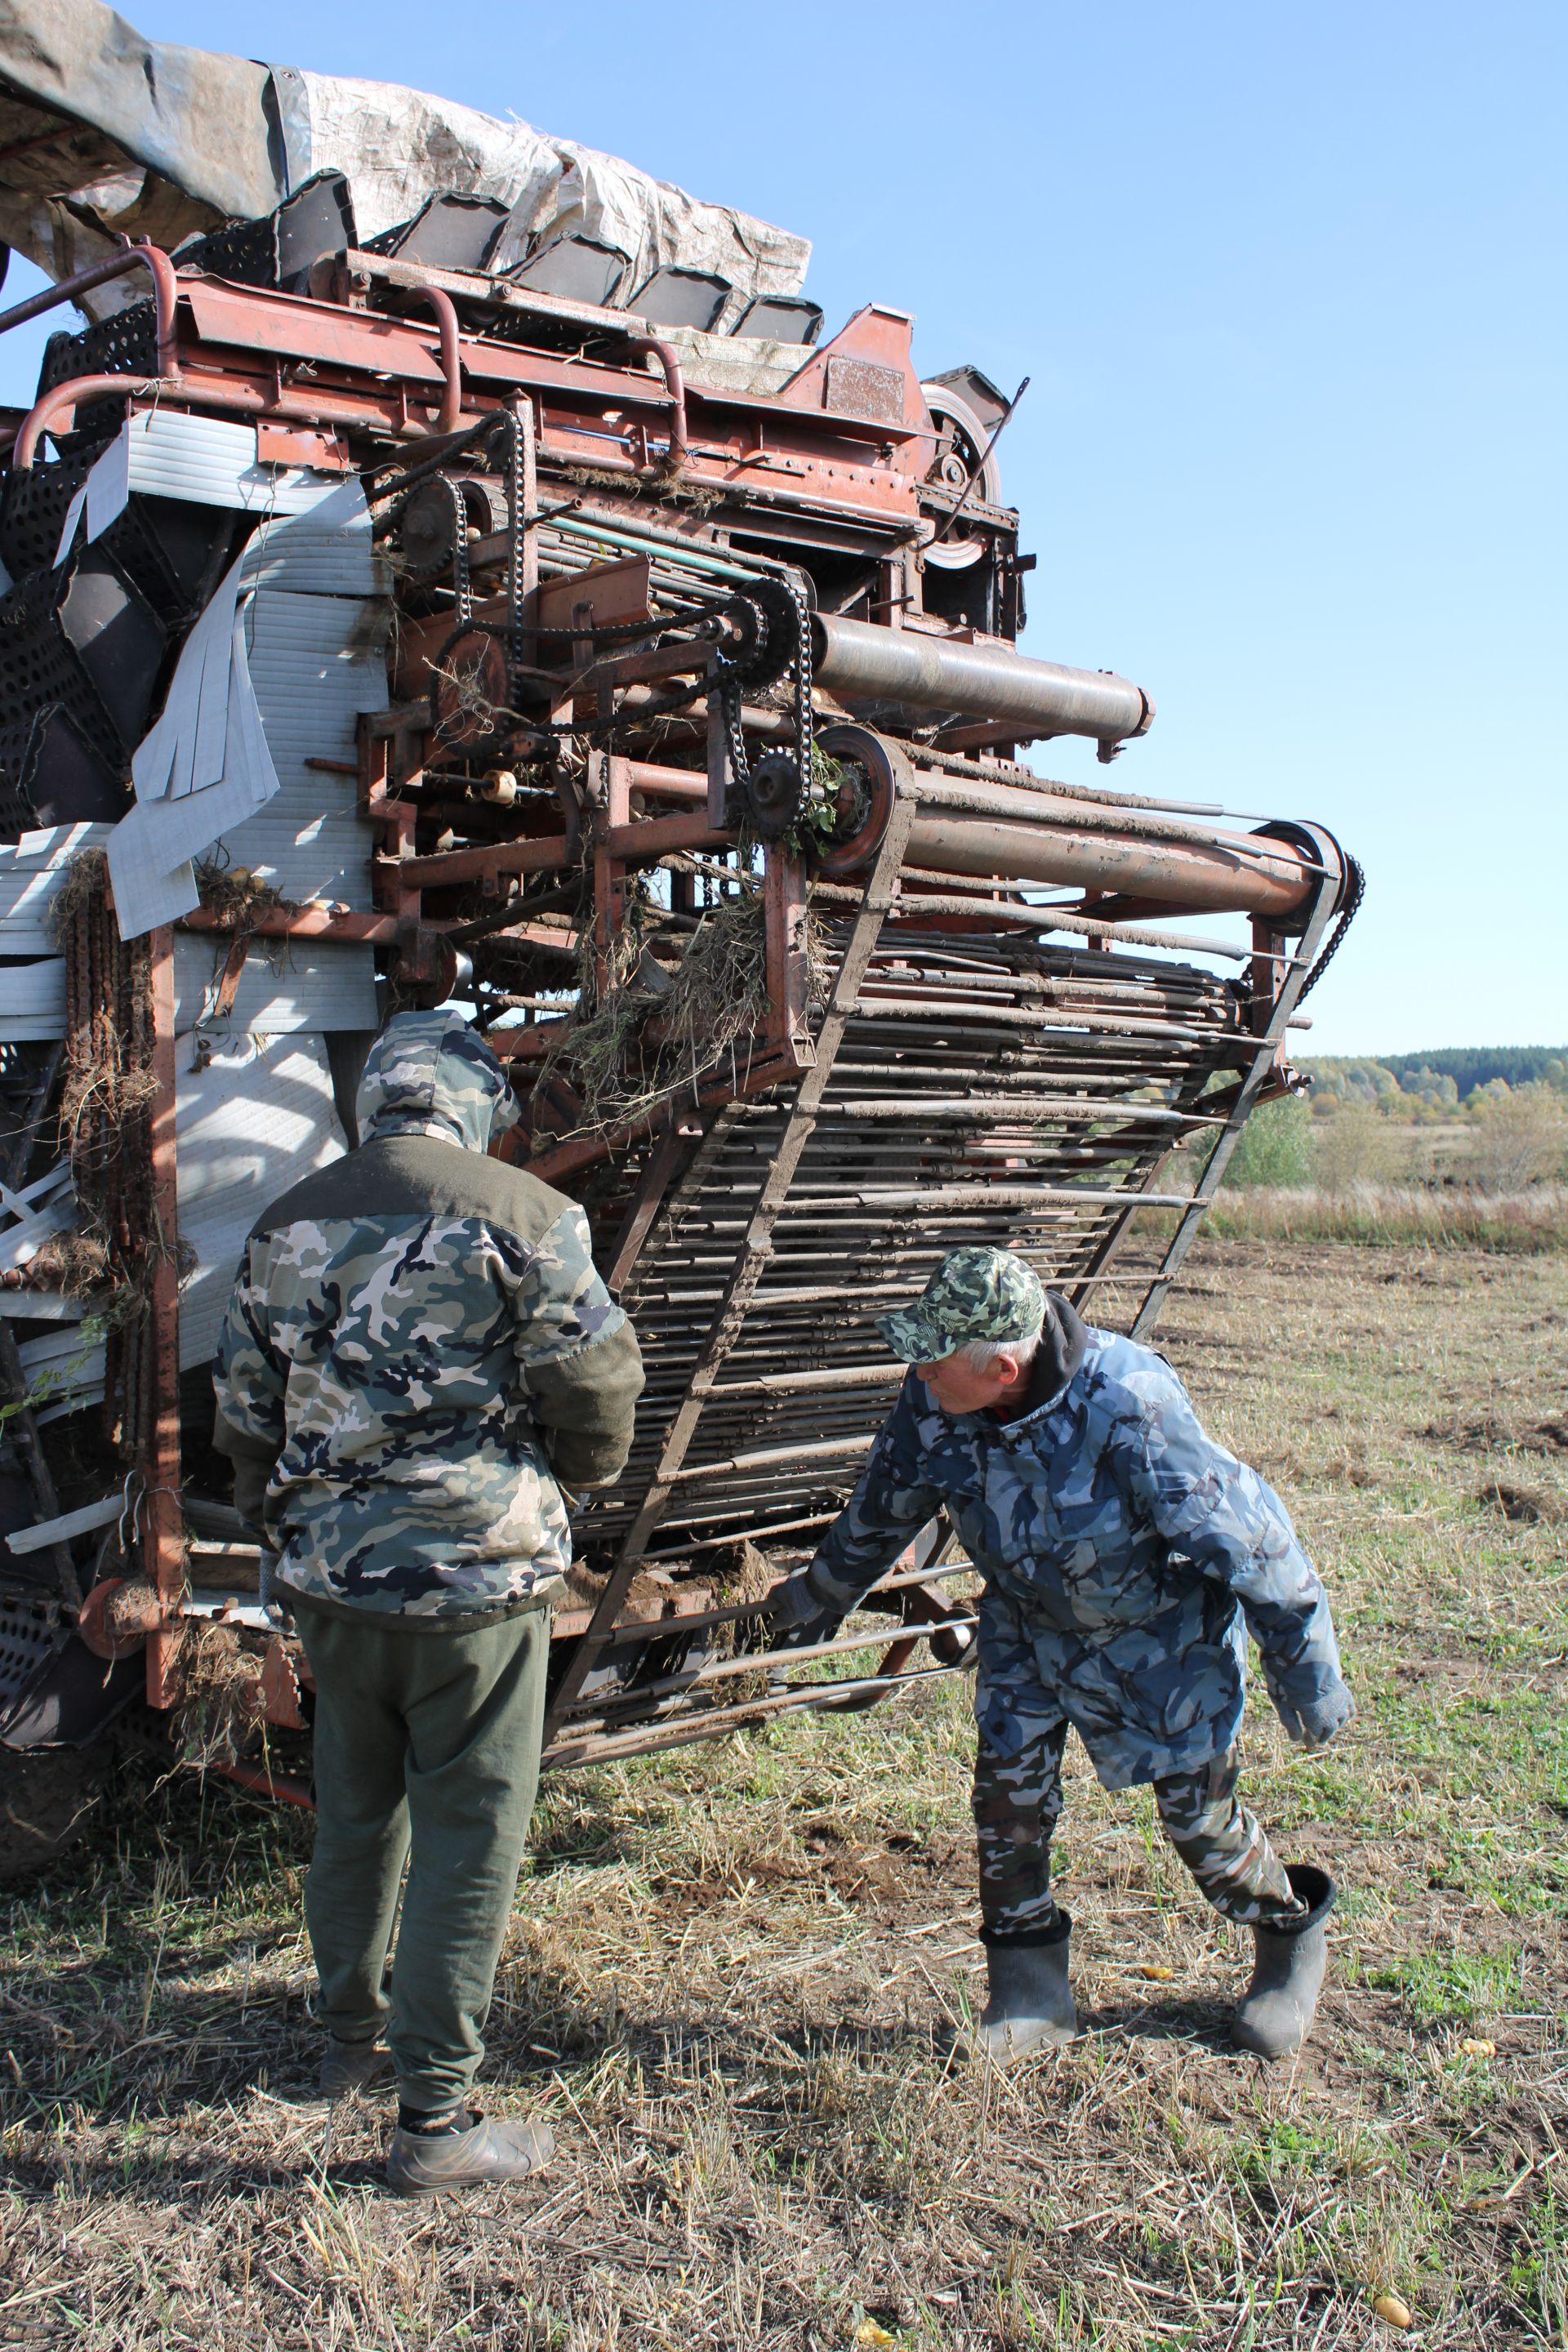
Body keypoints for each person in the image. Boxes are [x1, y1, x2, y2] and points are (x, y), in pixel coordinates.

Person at [212, 1009, 643, 2193]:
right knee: (470, 1833)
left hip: (336, 1586)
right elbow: (598, 1388)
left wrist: (288, 1521)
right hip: (479, 1585)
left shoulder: (284, 1225)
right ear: (470, 1102)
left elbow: (244, 1411)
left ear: (378, 1103)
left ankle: (347, 2040)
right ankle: (436, 2125)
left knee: (352, 1808)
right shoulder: (528, 1214)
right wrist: (567, 1477)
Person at [770, 1245, 1352, 2063]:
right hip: (1026, 1632)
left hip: (1155, 1642)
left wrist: (1310, 1677)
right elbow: (886, 1497)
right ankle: (1031, 1995)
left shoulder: (1130, 1403)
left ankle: (1288, 1935)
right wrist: (819, 1596)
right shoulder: (936, 1396)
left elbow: (1253, 1541)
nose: (920, 1378)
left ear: (1003, 1367)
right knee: (1007, 1810)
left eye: (935, 1366)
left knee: (1202, 1827)